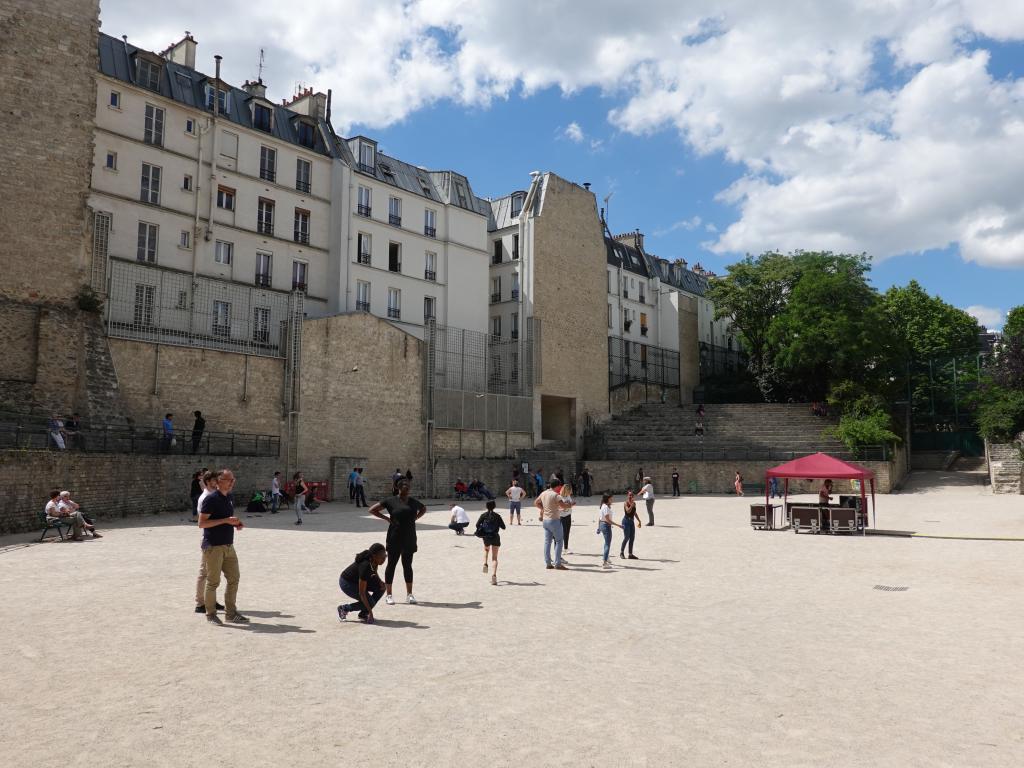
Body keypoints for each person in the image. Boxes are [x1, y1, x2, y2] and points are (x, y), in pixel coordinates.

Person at [198, 469, 247, 624]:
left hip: (228, 545)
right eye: (228, 479)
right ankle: (210, 614)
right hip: (213, 546)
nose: (232, 482)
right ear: (218, 481)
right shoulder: (211, 499)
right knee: (213, 582)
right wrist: (226, 520)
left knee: (234, 578)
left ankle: (230, 613)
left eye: (233, 479)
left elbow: (226, 519)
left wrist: (236, 523)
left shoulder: (230, 497)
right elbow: (202, 523)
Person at [368, 479, 426, 605]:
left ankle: (409, 594)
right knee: (391, 565)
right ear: (398, 488)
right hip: (395, 537)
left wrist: (416, 517)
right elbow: (372, 509)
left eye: (408, 487)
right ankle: (389, 594)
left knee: (407, 565)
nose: (406, 488)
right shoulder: (390, 501)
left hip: (409, 537)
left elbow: (423, 508)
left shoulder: (413, 501)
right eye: (404, 487)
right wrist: (386, 519)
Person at [194, 470, 224, 614]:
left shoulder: (213, 496)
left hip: (216, 537)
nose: (216, 483)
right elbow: (203, 521)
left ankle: (210, 600)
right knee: (204, 572)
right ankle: (200, 603)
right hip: (208, 538)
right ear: (207, 482)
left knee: (213, 572)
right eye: (214, 481)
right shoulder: (205, 498)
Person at [338, 543, 387, 624]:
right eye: (382, 557)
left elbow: (374, 570)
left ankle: (363, 613)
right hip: (347, 583)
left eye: (385, 556)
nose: (384, 559)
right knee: (370, 602)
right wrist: (370, 612)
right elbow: (362, 593)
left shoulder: (374, 560)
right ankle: (344, 608)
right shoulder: (365, 566)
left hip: (359, 580)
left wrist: (379, 581)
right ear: (374, 556)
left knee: (382, 587)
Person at [536, 483, 571, 570]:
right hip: (554, 520)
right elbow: (563, 506)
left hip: (546, 520)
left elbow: (536, 502)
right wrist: (570, 505)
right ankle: (558, 563)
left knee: (547, 542)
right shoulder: (556, 495)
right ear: (558, 486)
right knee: (559, 541)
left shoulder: (544, 493)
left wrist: (543, 509)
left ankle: (548, 563)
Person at [475, 500, 506, 586]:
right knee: (495, 558)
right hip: (495, 536)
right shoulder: (497, 516)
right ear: (494, 507)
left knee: (486, 550)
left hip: (486, 537)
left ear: (486, 506)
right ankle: (494, 575)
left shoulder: (483, 515)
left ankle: (485, 563)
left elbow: (477, 525)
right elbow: (503, 527)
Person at [598, 493, 622, 569]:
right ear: (607, 499)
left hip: (603, 525)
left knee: (606, 543)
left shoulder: (604, 506)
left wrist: (598, 527)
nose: (612, 500)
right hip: (606, 526)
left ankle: (606, 557)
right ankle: (604, 562)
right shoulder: (605, 507)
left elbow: (599, 518)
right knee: (608, 544)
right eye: (611, 499)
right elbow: (608, 520)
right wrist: (618, 525)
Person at [620, 490, 640, 559]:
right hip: (625, 521)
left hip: (631, 522)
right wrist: (631, 505)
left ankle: (630, 554)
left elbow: (634, 512)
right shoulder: (625, 503)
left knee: (632, 538)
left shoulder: (634, 503)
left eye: (632, 495)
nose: (630, 496)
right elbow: (628, 511)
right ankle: (621, 552)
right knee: (626, 537)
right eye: (629, 495)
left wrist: (639, 520)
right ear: (627, 496)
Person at [559, 483, 575, 554]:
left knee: (567, 532)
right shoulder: (560, 497)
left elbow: (570, 504)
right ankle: (560, 548)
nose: (570, 491)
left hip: (568, 515)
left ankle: (565, 548)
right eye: (569, 490)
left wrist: (572, 504)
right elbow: (558, 508)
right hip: (562, 517)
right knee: (561, 533)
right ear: (566, 490)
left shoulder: (568, 496)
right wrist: (565, 507)